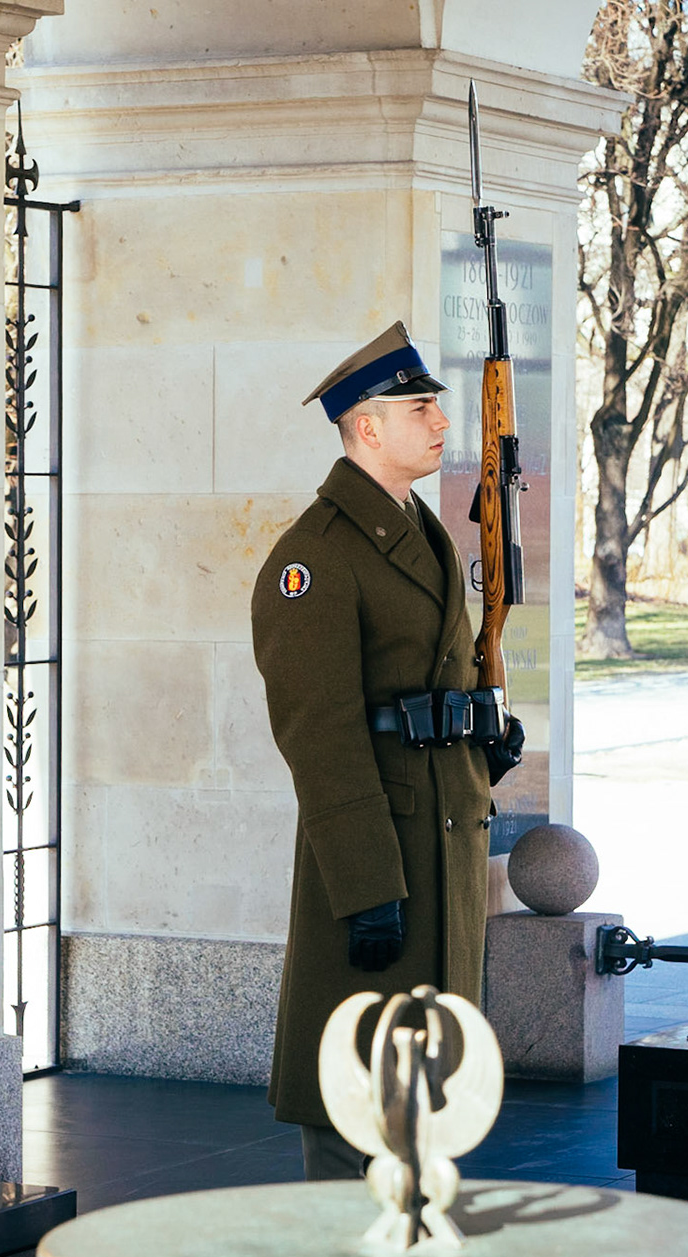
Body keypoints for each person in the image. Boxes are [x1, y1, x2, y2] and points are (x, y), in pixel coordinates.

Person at [250, 321, 524, 1180]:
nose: (441, 423)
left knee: (427, 1097)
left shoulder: (419, 531)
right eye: (418, 408)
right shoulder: (316, 559)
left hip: (440, 841)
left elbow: (428, 678)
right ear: (366, 426)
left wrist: (482, 736)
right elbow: (319, 735)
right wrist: (369, 888)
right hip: (382, 865)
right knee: (358, 1096)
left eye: (437, 406)